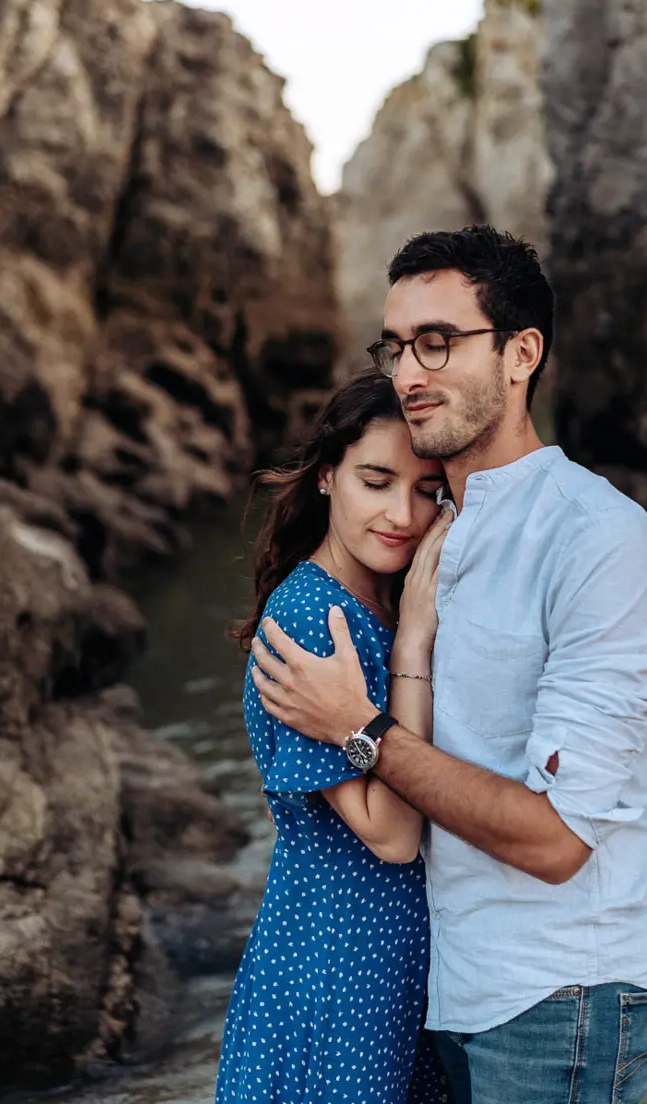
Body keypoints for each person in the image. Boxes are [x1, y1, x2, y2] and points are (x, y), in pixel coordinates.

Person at [251, 224, 647, 1104]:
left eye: (439, 343)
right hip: (452, 993)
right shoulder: (430, 536)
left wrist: (359, 727)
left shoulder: (594, 538)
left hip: (560, 995)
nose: (409, 373)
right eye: (397, 345)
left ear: (522, 352)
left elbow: (560, 839)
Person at [215, 370, 455, 1104]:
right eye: (375, 481)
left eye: (425, 490)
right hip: (341, 968)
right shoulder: (315, 618)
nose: (401, 515)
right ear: (327, 478)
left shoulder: (379, 595)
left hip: (393, 963)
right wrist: (411, 648)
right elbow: (392, 832)